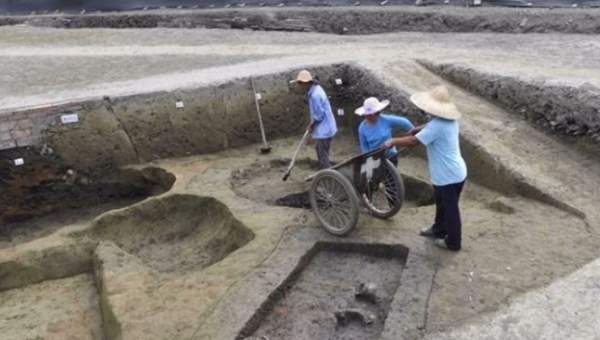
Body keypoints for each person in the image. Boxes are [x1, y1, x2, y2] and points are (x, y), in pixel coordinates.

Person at [382, 85, 467, 251]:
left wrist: (393, 141)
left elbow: (413, 142)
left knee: (450, 210)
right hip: (451, 172)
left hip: (449, 175)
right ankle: (438, 230)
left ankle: (453, 242)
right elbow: (431, 124)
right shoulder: (449, 121)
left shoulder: (438, 126)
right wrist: (416, 129)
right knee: (441, 204)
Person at [291, 70, 337, 170]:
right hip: (326, 127)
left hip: (324, 130)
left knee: (323, 154)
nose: (299, 86)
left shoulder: (315, 95)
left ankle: (326, 174)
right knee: (320, 150)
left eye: (300, 83)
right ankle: (323, 169)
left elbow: (319, 115)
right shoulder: (317, 89)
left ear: (306, 83)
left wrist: (311, 124)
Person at [355, 97, 414, 166]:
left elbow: (404, 122)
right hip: (375, 158)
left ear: (377, 113)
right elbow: (364, 146)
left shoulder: (386, 120)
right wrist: (368, 158)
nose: (369, 117)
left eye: (371, 114)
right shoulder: (362, 128)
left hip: (390, 155)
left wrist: (413, 131)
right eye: (367, 115)